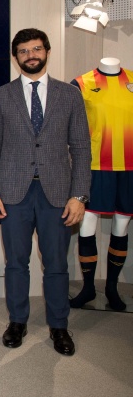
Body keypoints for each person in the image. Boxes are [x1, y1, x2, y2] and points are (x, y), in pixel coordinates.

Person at [0, 28, 91, 356]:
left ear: (47, 51)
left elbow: (82, 149)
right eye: (24, 51)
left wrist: (79, 196)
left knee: (56, 264)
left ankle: (59, 326)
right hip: (12, 193)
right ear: (15, 57)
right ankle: (17, 321)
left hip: (57, 194)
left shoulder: (69, 95)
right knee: (16, 263)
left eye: (36, 49)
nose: (31, 55)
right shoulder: (1, 96)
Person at [69, 58, 132, 311]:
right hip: (95, 166)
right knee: (87, 225)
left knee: (121, 226)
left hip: (129, 168)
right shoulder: (82, 83)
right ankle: (88, 288)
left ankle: (112, 288)